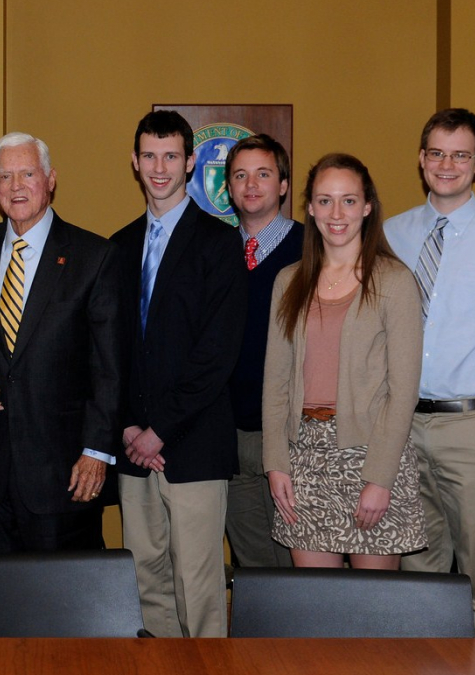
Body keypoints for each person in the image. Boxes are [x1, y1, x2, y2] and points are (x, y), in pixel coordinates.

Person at [384, 108, 475, 637]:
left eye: (460, 154)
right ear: (422, 160)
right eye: (437, 153)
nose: (447, 164)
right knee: (419, 584)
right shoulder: (390, 233)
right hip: (401, 428)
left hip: (474, 429)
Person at [111, 110, 247, 638]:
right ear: (135, 162)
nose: (160, 168)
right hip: (133, 447)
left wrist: (159, 430)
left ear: (191, 162)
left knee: (199, 587)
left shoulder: (218, 243)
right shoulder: (118, 247)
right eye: (149, 156)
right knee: (147, 582)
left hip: (192, 442)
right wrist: (128, 426)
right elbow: (111, 351)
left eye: (171, 156)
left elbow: (216, 355)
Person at [0, 132, 121, 554]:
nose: (16, 186)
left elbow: (109, 365)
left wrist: (97, 452)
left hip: (65, 471)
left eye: (27, 173)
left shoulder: (93, 255)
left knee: (62, 609)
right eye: (5, 176)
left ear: (50, 179)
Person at [263, 153, 425, 569]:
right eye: (324, 200)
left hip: (371, 454)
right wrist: (276, 463)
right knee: (316, 613)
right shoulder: (289, 281)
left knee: (371, 618)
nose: (336, 213)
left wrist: (380, 478)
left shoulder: (394, 281)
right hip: (305, 460)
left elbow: (403, 390)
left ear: (367, 206)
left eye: (348, 201)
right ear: (311, 207)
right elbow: (276, 383)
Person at [223, 134, 302, 569]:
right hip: (229, 438)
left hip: (292, 437)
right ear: (229, 189)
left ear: (283, 185)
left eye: (264, 174)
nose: (251, 184)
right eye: (240, 175)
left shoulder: (313, 251)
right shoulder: (213, 253)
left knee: (300, 566)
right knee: (254, 569)